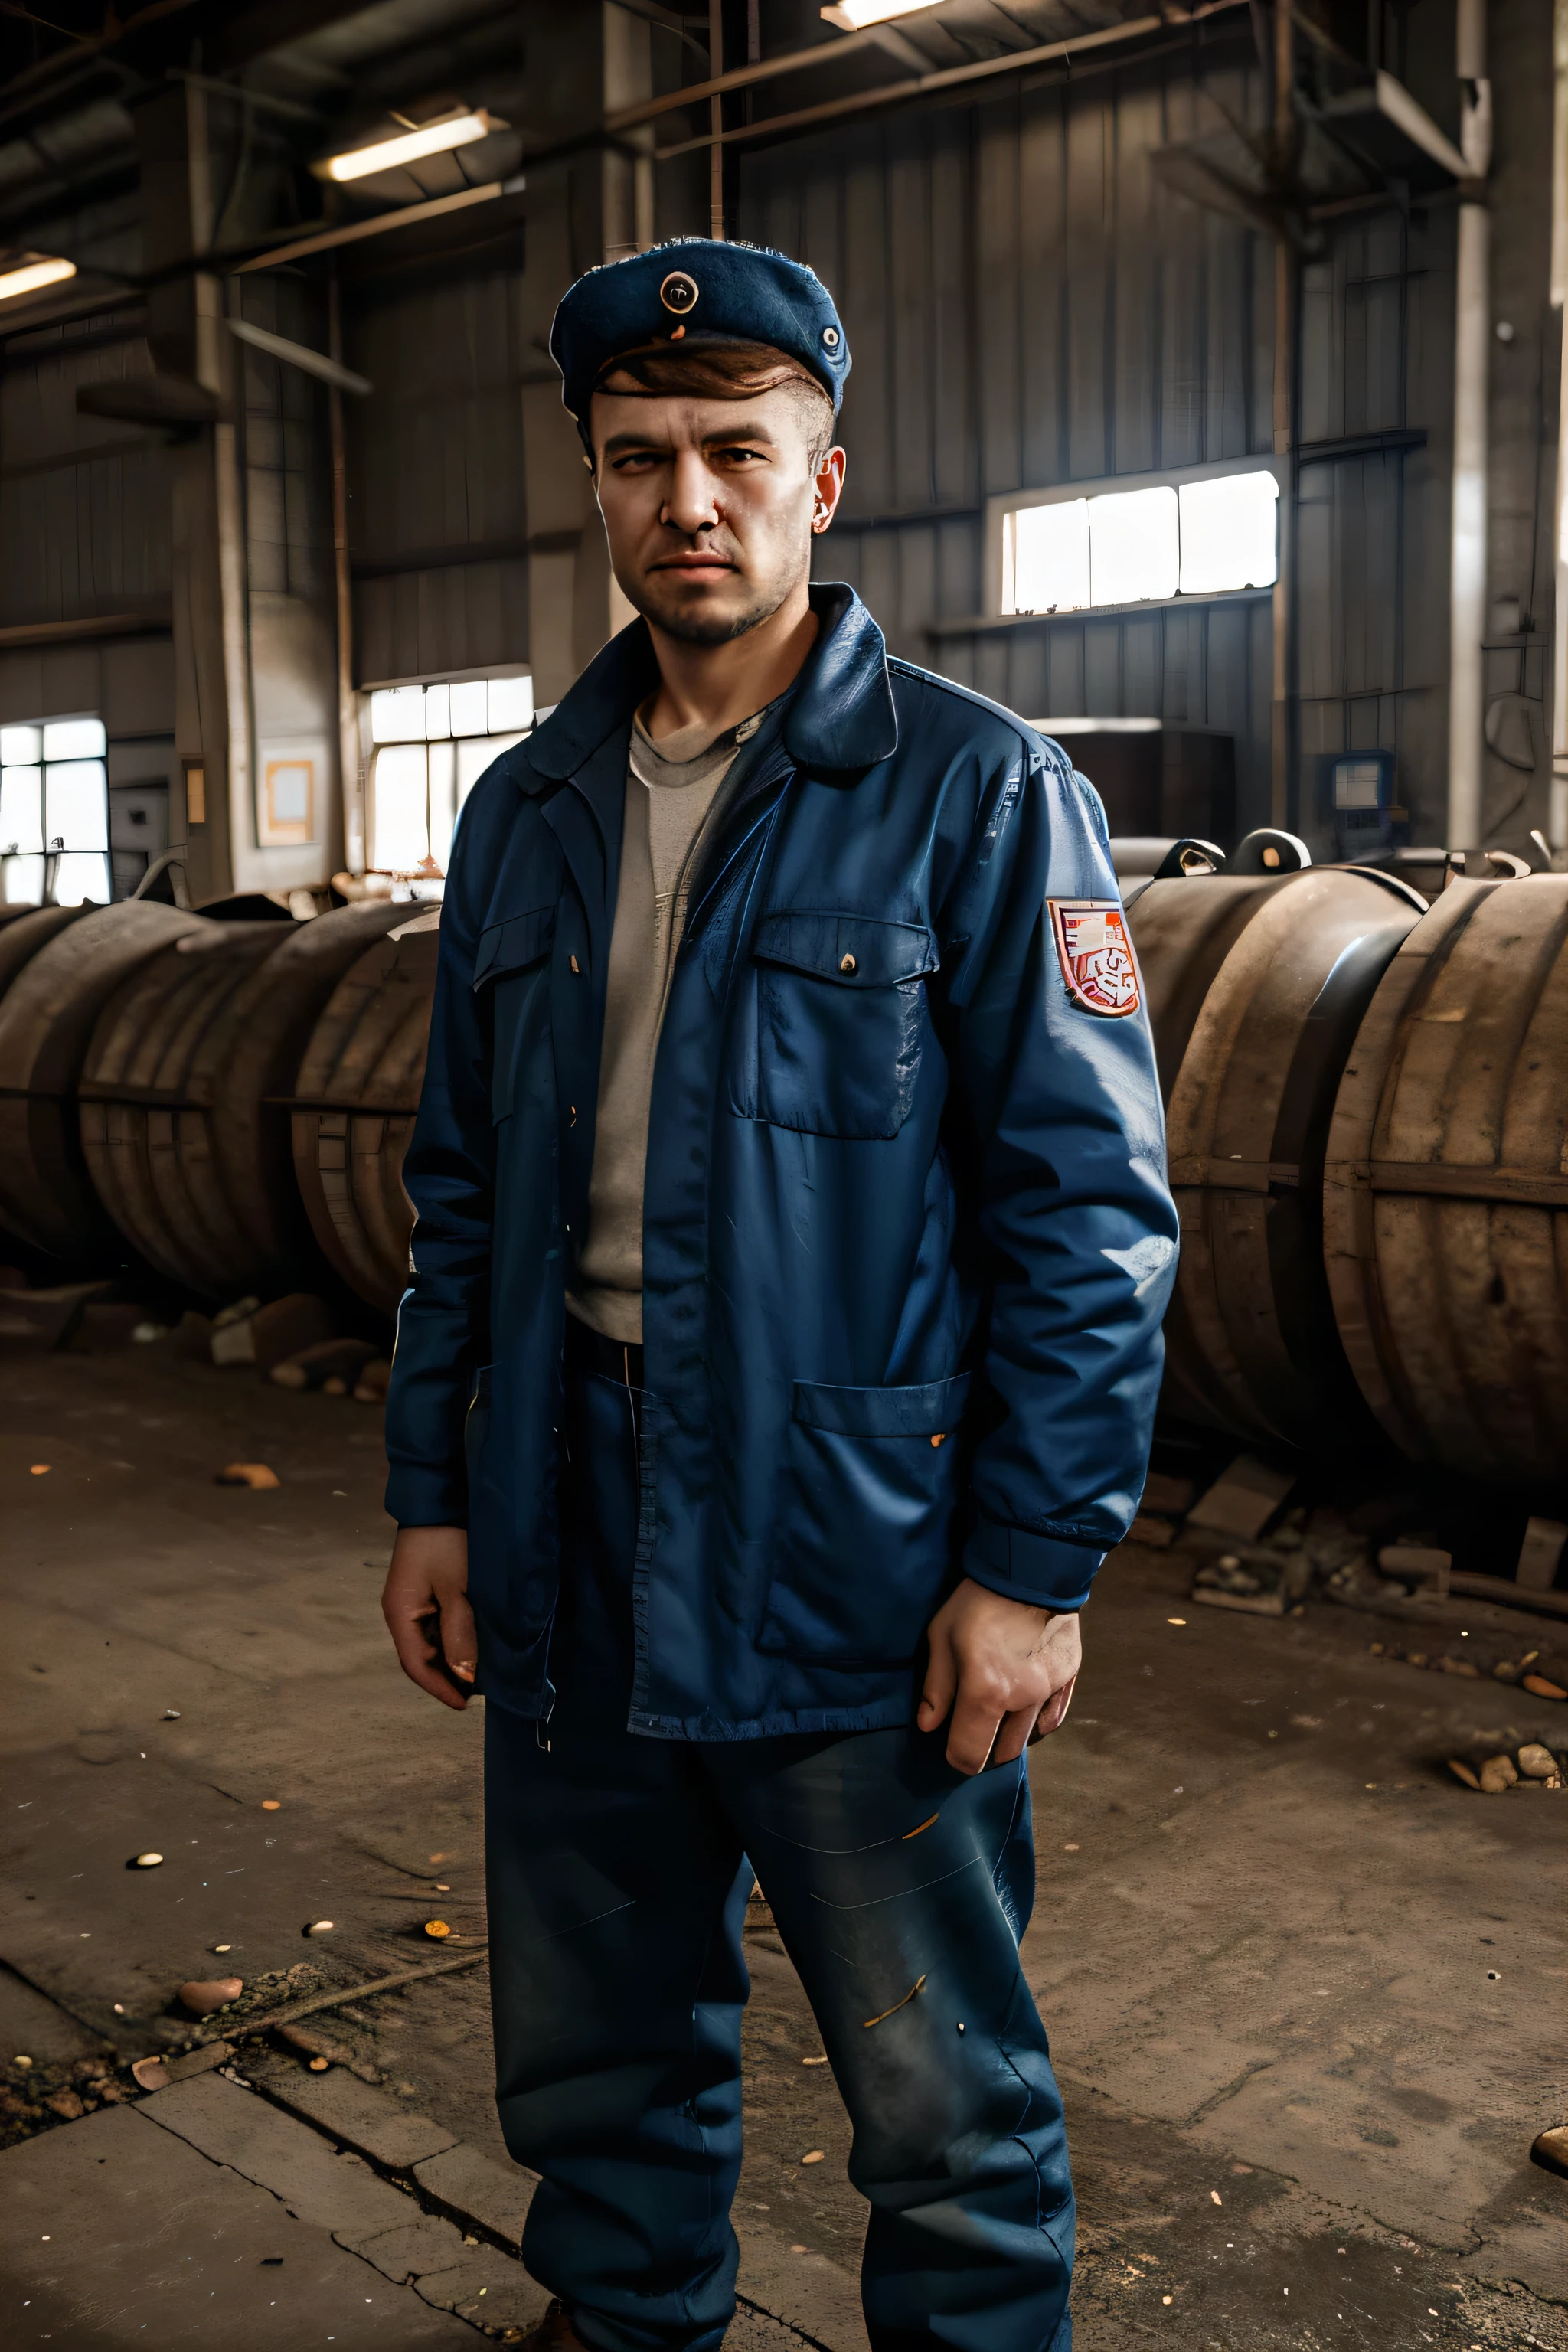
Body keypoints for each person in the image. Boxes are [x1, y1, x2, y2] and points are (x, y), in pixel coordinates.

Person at [380, 237, 1177, 2352]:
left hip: (853, 1544)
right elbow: (459, 1190)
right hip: (560, 1516)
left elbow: (1090, 1218)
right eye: (641, 456)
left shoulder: (976, 790)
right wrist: (434, 1495)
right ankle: (626, 2324)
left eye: (740, 448)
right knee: (597, 2058)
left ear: (827, 477)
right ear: (595, 478)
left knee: (943, 2102)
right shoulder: (524, 808)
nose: (690, 498)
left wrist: (1032, 1563)